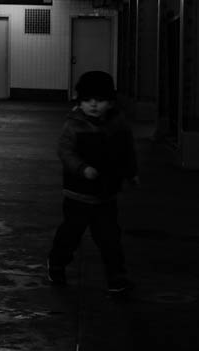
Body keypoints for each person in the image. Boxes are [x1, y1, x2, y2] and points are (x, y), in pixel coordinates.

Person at [47, 70, 138, 294]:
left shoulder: (118, 124)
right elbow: (65, 151)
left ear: (111, 101)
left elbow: (126, 151)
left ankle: (117, 277)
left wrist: (130, 171)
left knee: (110, 239)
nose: (94, 105)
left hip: (106, 194)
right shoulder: (74, 125)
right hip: (78, 194)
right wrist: (82, 168)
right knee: (71, 234)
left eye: (100, 100)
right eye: (87, 100)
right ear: (80, 101)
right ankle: (57, 263)